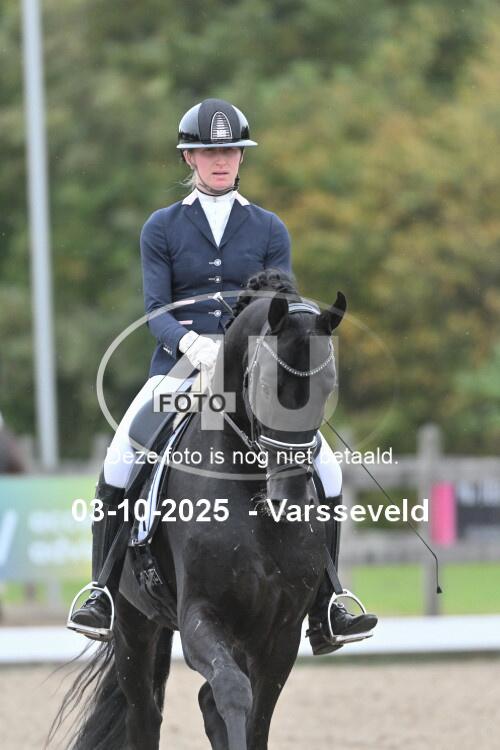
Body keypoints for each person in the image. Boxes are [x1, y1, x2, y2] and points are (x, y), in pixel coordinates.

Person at [68, 98, 377, 652]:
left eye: (230, 151)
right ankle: (102, 591)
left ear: (241, 158)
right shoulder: (162, 227)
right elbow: (155, 309)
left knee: (327, 470)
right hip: (179, 370)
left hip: (252, 374)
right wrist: (191, 344)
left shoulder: (268, 228)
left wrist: (255, 354)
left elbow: (283, 304)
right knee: (120, 458)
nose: (220, 160)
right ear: (189, 157)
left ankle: (329, 601)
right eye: (209, 152)